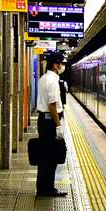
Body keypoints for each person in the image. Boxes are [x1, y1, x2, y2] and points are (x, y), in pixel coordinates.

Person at [35, 52, 67, 197]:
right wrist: (58, 126)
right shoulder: (53, 81)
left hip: (43, 120)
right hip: (49, 122)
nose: (62, 66)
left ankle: (43, 187)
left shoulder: (43, 78)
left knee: (44, 156)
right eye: (61, 63)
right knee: (51, 156)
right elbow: (53, 106)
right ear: (56, 65)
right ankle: (48, 189)